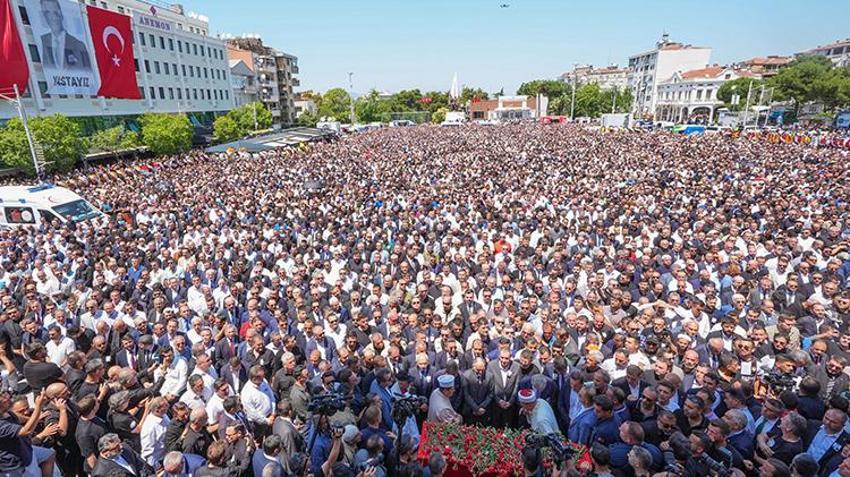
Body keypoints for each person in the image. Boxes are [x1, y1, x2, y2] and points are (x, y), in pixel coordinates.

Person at [38, 0, 93, 70]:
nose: (53, 17)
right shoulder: (42, 41)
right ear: (44, 17)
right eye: (47, 13)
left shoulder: (79, 45)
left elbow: (88, 71)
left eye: (56, 13)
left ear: (61, 14)